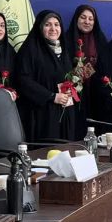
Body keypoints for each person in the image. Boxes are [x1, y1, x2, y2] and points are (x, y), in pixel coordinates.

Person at [14, 10, 84, 142]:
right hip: (43, 113)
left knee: (66, 147)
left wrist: (74, 85)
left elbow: (69, 75)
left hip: (65, 109)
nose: (53, 29)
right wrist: (51, 96)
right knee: (47, 150)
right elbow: (23, 80)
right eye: (47, 25)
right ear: (40, 27)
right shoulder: (30, 50)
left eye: (56, 24)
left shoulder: (65, 49)